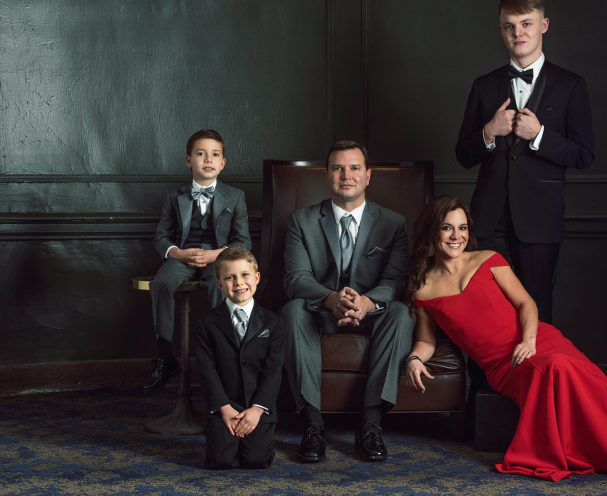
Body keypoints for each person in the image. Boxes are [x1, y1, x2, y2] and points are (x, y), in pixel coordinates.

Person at [404, 195, 607, 483]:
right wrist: (415, 359)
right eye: (448, 227)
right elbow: (426, 340)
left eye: (462, 228)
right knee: (562, 370)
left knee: (603, 389)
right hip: (504, 366)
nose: (457, 236)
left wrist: (529, 340)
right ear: (434, 230)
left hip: (536, 342)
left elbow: (526, 304)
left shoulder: (488, 259)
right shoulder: (424, 289)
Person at [455, 0, 595, 325]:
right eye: (510, 26)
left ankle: (536, 378)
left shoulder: (571, 85)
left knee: (536, 311)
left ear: (543, 25)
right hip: (489, 221)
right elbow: (462, 154)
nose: (518, 33)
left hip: (540, 220)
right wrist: (489, 132)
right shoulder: (483, 86)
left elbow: (584, 154)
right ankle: (485, 381)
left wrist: (541, 136)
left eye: (526, 24)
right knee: (486, 312)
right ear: (501, 30)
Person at [281, 140, 413, 462]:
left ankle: (370, 424)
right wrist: (329, 300)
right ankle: (312, 425)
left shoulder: (393, 223)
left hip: (372, 313)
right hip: (320, 311)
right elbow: (295, 279)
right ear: (326, 175)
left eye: (354, 168)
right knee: (292, 310)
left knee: (400, 313)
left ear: (368, 176)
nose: (346, 175)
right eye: (338, 168)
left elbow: (395, 281)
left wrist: (366, 303)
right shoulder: (301, 220)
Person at [146, 129, 251, 390]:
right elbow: (161, 237)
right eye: (200, 154)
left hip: (218, 257)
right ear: (188, 160)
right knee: (160, 283)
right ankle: (165, 355)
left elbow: (243, 242)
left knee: (221, 285)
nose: (208, 159)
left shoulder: (235, 196)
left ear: (223, 163)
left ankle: (219, 354)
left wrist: (216, 254)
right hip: (182, 256)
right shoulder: (174, 195)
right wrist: (179, 253)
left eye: (215, 154)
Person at [194, 246, 284, 469]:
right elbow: (207, 369)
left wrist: (256, 410)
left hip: (258, 406)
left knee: (256, 460)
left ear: (256, 277)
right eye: (229, 277)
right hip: (224, 404)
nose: (239, 283)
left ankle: (256, 440)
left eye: (244, 275)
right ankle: (227, 441)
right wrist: (224, 408)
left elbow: (273, 370)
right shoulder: (205, 323)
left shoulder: (274, 323)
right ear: (219, 284)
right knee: (220, 461)